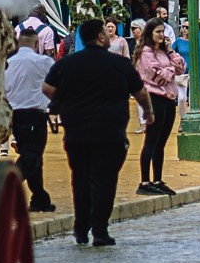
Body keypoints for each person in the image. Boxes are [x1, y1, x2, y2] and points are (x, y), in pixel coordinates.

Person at [44, 17, 154, 246]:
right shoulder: (119, 64)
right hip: (110, 132)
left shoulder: (67, 64)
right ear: (101, 37)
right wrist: (148, 113)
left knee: (80, 179)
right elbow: (141, 92)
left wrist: (65, 98)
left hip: (76, 132)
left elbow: (47, 88)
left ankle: (81, 227)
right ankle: (100, 231)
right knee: (104, 181)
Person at [4, 20, 56, 212]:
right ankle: (6, 187)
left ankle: (40, 198)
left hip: (14, 115)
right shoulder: (44, 62)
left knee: (33, 156)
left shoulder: (8, 63)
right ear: (36, 43)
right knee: (32, 156)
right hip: (35, 115)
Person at [136, 20, 186, 193]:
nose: (161, 35)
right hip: (154, 98)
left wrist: (171, 52)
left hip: (168, 98)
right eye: (157, 31)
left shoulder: (164, 52)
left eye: (162, 31)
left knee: (161, 142)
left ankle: (157, 179)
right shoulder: (146, 52)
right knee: (151, 140)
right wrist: (170, 70)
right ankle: (144, 182)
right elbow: (156, 76)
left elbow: (181, 68)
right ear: (150, 33)